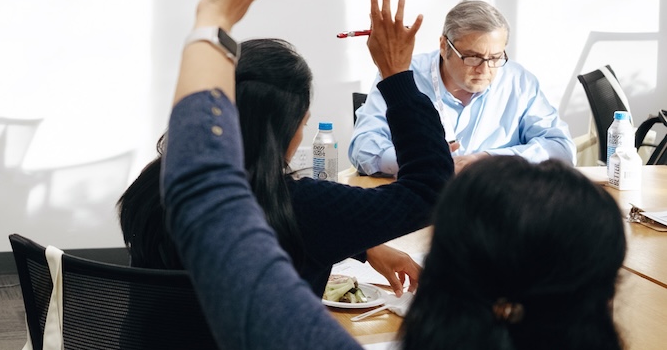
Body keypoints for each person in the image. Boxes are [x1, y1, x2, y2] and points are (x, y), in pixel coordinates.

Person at [161, 0, 643, 350]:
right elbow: (407, 179)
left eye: (495, 57)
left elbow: (208, 199)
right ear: (602, 309)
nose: (486, 65)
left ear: (449, 280)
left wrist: (210, 23)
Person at [119, 27, 452, 298]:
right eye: (304, 122)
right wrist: (396, 76)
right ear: (281, 132)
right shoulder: (298, 206)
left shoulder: (154, 185)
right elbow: (430, 189)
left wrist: (364, 245)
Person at [350, 0, 574, 175]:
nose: (485, 69)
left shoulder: (518, 81)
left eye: (495, 57)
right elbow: (363, 146)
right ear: (443, 46)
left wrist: (488, 160)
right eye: (472, 57)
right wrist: (425, 161)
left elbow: (560, 148)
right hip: (424, 204)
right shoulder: (400, 74)